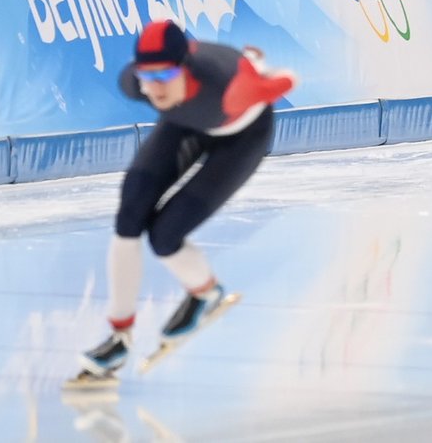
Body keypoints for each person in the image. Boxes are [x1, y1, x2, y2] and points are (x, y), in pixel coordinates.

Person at [75, 19, 296, 380]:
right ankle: (118, 338)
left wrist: (265, 74)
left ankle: (205, 293)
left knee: (164, 236)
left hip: (242, 137)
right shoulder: (136, 85)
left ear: (185, 68)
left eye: (163, 77)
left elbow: (275, 82)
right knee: (130, 210)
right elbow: (151, 81)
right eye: (148, 77)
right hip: (186, 123)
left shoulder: (228, 87)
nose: (155, 89)